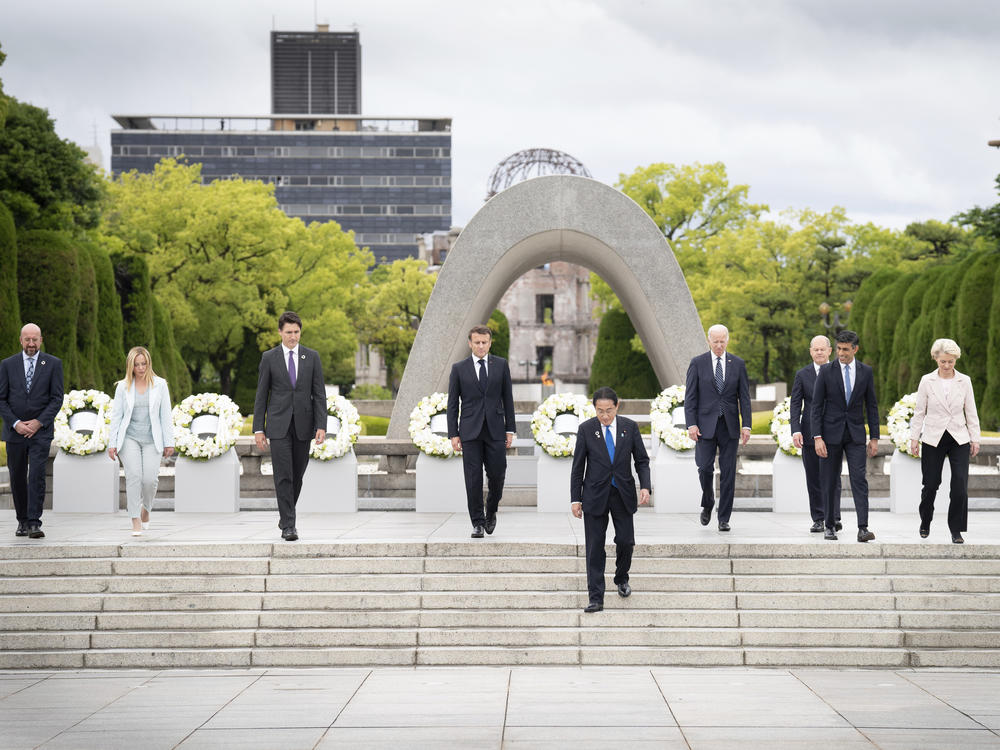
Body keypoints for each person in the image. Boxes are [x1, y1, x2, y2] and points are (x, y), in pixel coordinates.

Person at [570, 387, 651, 613]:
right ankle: (596, 597)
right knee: (595, 547)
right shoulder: (586, 429)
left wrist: (645, 486)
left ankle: (621, 577)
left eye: (609, 410)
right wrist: (575, 498)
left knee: (626, 541)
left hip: (622, 493)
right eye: (600, 411)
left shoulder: (629, 427)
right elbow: (578, 468)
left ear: (617, 406)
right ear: (594, 408)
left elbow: (642, 460)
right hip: (594, 495)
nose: (605, 416)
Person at [253, 312, 327, 542]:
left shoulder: (312, 357)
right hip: (278, 426)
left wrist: (321, 425)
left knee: (298, 475)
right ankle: (289, 526)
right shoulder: (269, 358)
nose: (293, 336)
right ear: (280, 333)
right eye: (288, 332)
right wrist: (258, 428)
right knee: (283, 475)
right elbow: (261, 395)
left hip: (304, 426)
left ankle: (286, 516)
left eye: (296, 332)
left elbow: (319, 394)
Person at [909, 338, 981, 544]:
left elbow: (971, 411)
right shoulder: (927, 380)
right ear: (936, 359)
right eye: (943, 362)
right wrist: (915, 438)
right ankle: (926, 520)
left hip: (959, 437)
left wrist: (975, 438)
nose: (947, 365)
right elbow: (919, 411)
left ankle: (956, 529)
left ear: (955, 359)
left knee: (960, 485)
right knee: (930, 484)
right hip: (933, 437)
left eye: (951, 361)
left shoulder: (964, 381)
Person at [447, 325, 516, 538]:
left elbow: (508, 398)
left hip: (495, 430)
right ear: (470, 343)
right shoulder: (459, 368)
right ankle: (477, 522)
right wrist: (453, 434)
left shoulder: (501, 365)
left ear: (490, 342)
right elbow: (452, 404)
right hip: (469, 432)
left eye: (484, 342)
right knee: (473, 478)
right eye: (476, 342)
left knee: (497, 475)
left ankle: (491, 509)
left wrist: (510, 429)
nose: (480, 346)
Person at [811, 330, 879, 542]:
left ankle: (862, 528)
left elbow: (872, 406)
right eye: (838, 349)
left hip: (856, 435)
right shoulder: (826, 371)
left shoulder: (865, 372)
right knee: (829, 481)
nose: (841, 353)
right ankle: (829, 525)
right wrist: (817, 437)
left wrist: (875, 437)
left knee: (859, 480)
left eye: (845, 349)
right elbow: (816, 406)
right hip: (830, 436)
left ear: (855, 349)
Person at [684, 324, 751, 532]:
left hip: (729, 426)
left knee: (729, 472)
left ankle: (724, 518)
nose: (719, 345)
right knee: (704, 467)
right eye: (716, 342)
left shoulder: (738, 364)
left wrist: (746, 424)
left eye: (722, 341)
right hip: (704, 426)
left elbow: (744, 398)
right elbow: (691, 398)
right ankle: (708, 501)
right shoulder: (698, 363)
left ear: (727, 340)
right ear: (709, 341)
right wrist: (691, 424)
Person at [0, 323, 64, 539]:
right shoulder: (7, 365)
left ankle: (35, 522)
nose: (31, 344)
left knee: (36, 475)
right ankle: (22, 521)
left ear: (41, 340)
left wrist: (39, 422)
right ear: (21, 340)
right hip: (14, 431)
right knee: (17, 475)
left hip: (41, 432)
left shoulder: (53, 364)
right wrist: (16, 423)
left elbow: (57, 398)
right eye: (27, 339)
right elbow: (2, 399)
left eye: (34, 339)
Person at [107, 347, 174, 536]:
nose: (141, 368)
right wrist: (112, 444)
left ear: (149, 363)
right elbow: (117, 417)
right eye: (137, 364)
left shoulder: (160, 385)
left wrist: (169, 442)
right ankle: (135, 519)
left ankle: (146, 510)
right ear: (131, 366)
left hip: (153, 439)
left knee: (150, 480)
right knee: (134, 476)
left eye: (144, 363)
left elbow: (165, 416)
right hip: (129, 439)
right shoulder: (123, 386)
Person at [790, 335, 842, 533]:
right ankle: (819, 518)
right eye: (815, 349)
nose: (819, 352)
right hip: (810, 433)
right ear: (810, 352)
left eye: (823, 349)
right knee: (813, 478)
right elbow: (796, 404)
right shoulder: (802, 375)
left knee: (833, 477)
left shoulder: (840, 372)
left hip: (835, 433)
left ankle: (834, 517)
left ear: (830, 351)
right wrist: (795, 429)